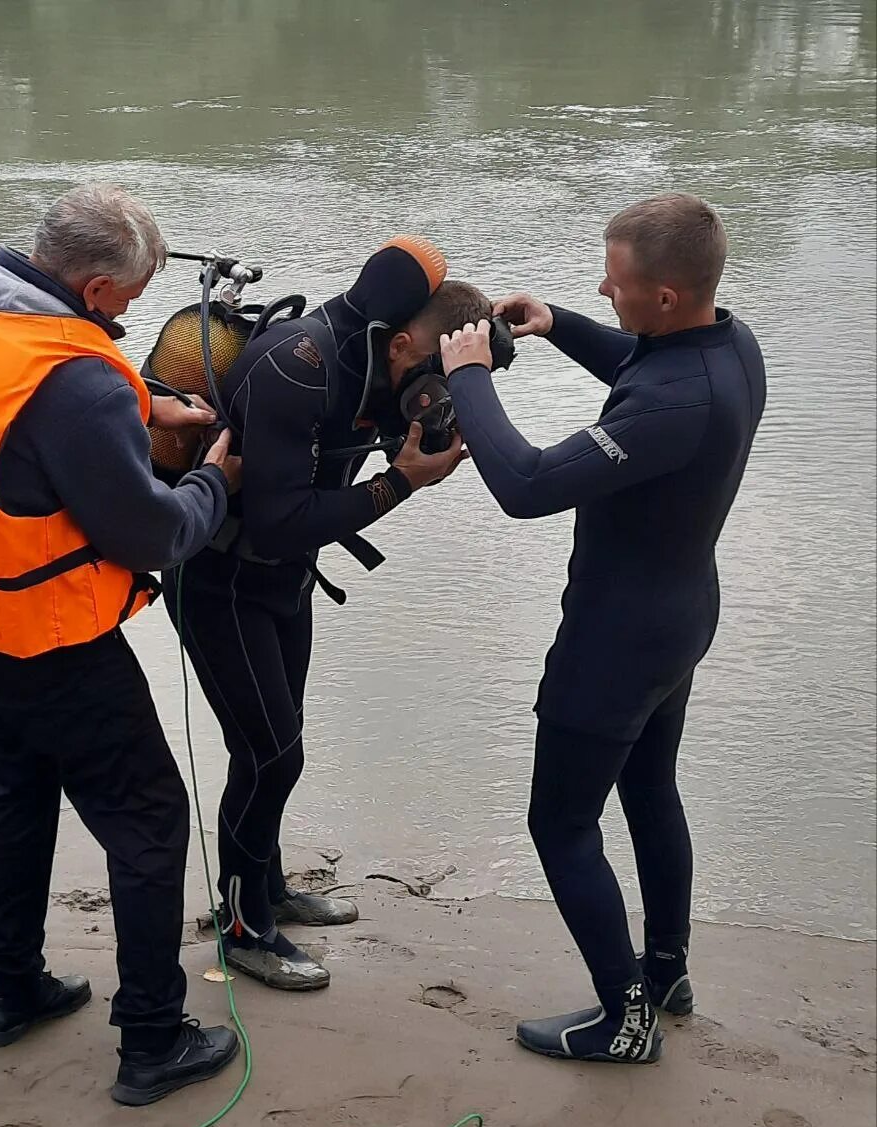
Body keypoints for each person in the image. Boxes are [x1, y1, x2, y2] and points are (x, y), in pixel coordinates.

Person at [0, 183, 244, 1106]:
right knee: (149, 817)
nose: (132, 312)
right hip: (46, 637)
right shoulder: (71, 377)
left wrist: (140, 409)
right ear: (98, 288)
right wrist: (216, 484)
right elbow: (150, 534)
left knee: (19, 780)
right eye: (133, 297)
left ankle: (12, 991)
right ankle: (153, 1038)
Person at [439, 194, 766, 1064]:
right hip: (680, 616)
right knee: (650, 788)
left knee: (561, 825)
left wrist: (467, 375)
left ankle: (624, 1020)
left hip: (614, 644)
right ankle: (664, 973)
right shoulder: (728, 344)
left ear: (664, 295)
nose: (602, 288)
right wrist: (560, 324)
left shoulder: (670, 402)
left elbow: (528, 485)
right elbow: (644, 371)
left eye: (614, 283)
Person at [162, 239, 491, 990]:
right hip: (219, 576)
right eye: (428, 380)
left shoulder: (382, 357)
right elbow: (279, 521)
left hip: (282, 579)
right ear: (400, 339)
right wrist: (401, 482)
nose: (427, 398)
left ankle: (267, 886)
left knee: (282, 739)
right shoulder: (297, 366)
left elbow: (301, 520)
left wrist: (470, 366)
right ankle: (244, 928)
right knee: (271, 755)